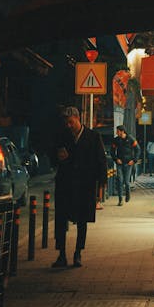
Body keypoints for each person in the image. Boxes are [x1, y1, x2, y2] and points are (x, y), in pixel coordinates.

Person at [53, 106, 107, 268]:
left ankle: (78, 253)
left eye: (71, 122)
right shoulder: (63, 136)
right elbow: (53, 155)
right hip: (65, 184)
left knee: (82, 220)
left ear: (78, 119)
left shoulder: (93, 136)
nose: (68, 125)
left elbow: (101, 161)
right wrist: (57, 157)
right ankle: (61, 254)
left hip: (85, 185)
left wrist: (101, 185)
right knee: (61, 220)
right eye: (66, 123)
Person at [110, 124, 140, 204]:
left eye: (118, 131)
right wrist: (116, 159)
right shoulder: (116, 140)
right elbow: (112, 151)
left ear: (122, 131)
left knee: (126, 182)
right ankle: (120, 200)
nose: (116, 132)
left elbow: (138, 150)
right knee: (120, 180)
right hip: (119, 163)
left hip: (128, 163)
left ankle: (127, 194)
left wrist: (134, 160)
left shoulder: (131, 139)